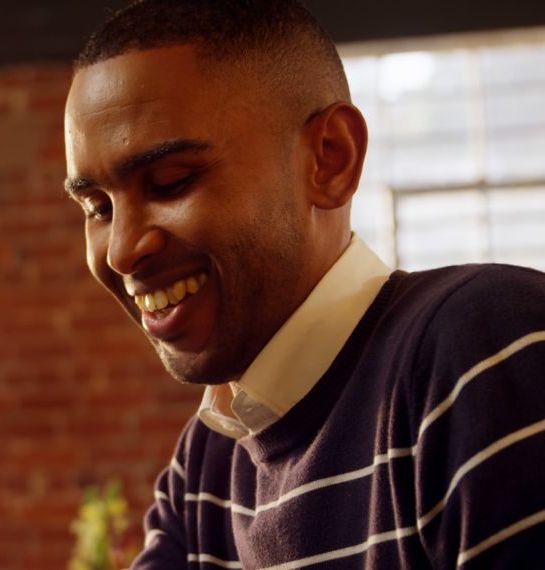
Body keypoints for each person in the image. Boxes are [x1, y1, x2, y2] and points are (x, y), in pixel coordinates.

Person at [62, 0, 545, 567]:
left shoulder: (480, 348)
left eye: (171, 182)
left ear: (329, 160)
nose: (121, 251)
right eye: (96, 206)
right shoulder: (205, 467)